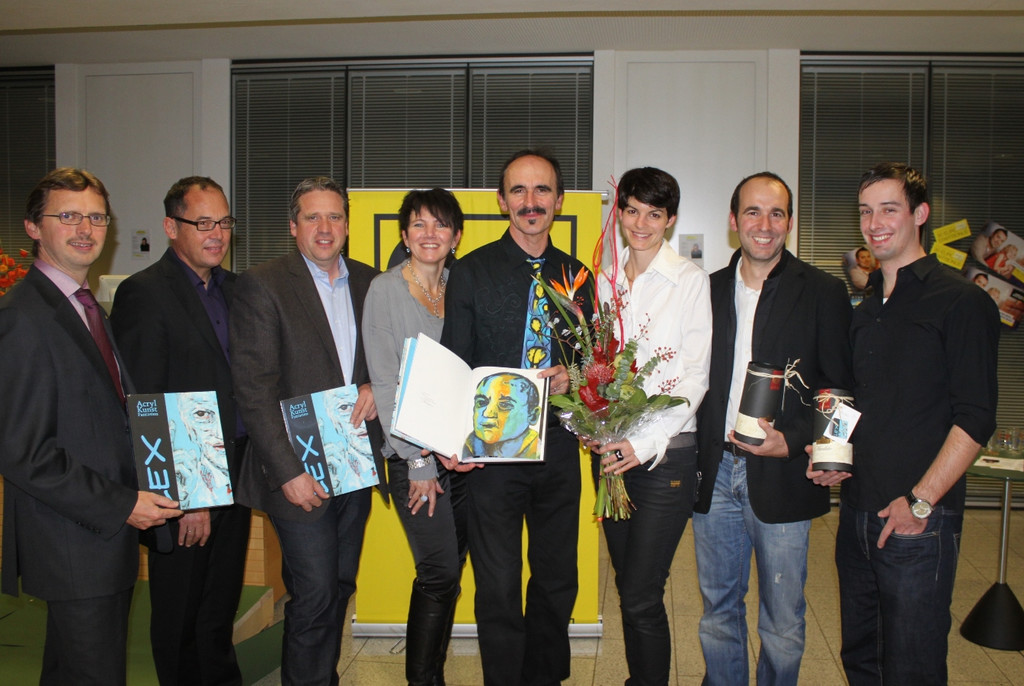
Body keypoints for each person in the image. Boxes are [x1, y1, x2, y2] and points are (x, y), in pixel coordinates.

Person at [813, 162, 999, 684]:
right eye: (865, 211)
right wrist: (830, 451)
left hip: (919, 520)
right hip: (856, 514)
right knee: (861, 661)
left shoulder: (961, 301)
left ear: (920, 214)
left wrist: (921, 501)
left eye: (889, 209)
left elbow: (976, 416)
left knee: (912, 667)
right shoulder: (866, 307)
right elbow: (854, 399)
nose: (874, 223)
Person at [0, 168, 181, 685]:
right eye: (68, 216)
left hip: (100, 538)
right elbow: (22, 452)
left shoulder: (85, 308)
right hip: (73, 540)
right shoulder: (22, 317)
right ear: (33, 227)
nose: (85, 228)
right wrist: (122, 503)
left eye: (97, 217)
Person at [693, 171, 853, 686]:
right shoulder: (707, 290)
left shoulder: (823, 291)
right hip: (716, 471)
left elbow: (838, 386)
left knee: (782, 620)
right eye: (753, 212)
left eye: (776, 213)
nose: (764, 224)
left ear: (790, 222)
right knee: (718, 610)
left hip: (784, 473)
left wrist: (800, 440)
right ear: (733, 220)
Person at [441, 150, 592, 686]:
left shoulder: (577, 276)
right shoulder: (471, 272)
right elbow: (455, 360)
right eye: (519, 191)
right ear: (502, 201)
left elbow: (593, 358)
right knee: (499, 584)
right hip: (492, 454)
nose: (531, 202)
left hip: (559, 451)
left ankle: (545, 677)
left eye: (542, 190)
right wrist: (450, 439)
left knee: (556, 578)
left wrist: (576, 375)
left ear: (559, 200)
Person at [230, 176, 387, 686]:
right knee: (315, 591)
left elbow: (386, 359)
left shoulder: (371, 283)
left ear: (347, 225)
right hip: (297, 472)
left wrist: (374, 383)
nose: (325, 227)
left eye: (334, 216)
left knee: (339, 585)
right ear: (292, 226)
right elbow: (254, 388)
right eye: (312, 217)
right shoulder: (263, 284)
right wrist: (287, 473)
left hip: (354, 462)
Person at [110, 175, 251, 686]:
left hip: (237, 468)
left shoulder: (237, 290)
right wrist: (188, 497)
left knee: (220, 602)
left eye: (224, 222)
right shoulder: (144, 293)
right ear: (172, 227)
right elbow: (145, 403)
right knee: (181, 611)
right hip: (186, 483)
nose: (217, 234)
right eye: (203, 223)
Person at [590, 166, 711, 686]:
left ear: (670, 220)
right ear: (619, 213)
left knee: (642, 593)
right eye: (632, 211)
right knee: (628, 588)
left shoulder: (689, 280)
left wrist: (641, 442)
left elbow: (695, 376)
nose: (640, 224)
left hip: (665, 456)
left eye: (654, 214)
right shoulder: (604, 280)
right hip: (611, 455)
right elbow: (598, 365)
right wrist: (594, 422)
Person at [364, 188, 474, 686]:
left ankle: (433, 672)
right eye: (419, 224)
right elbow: (386, 384)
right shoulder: (385, 290)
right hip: (414, 459)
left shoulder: (462, 286)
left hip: (460, 458)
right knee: (439, 572)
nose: (430, 234)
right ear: (405, 236)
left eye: (441, 224)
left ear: (456, 235)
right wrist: (419, 461)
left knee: (451, 569)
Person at [464, 372, 543, 460]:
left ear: (533, 416)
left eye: (505, 405)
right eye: (481, 402)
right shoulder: (468, 446)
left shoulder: (537, 451)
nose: (487, 413)